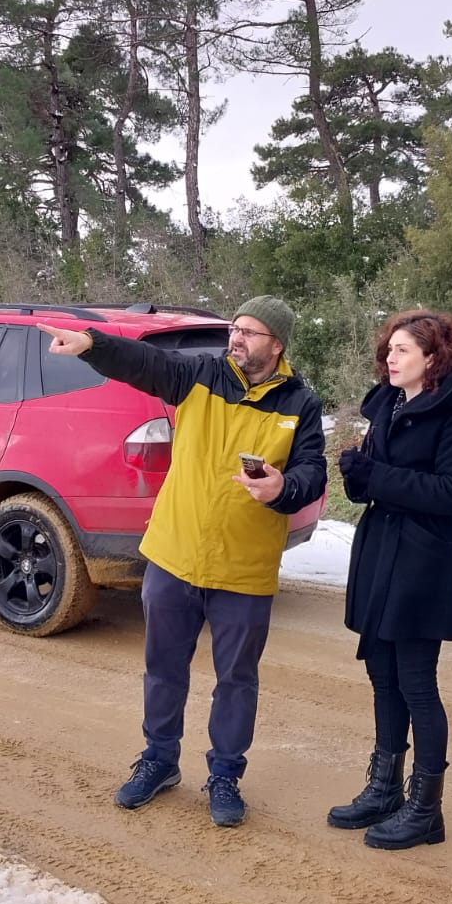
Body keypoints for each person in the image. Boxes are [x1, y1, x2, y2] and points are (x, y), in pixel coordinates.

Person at [38, 296, 325, 828]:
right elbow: (145, 364)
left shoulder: (300, 404)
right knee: (164, 669)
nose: (236, 339)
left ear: (277, 344)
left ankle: (224, 775)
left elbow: (313, 471)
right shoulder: (199, 376)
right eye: (234, 329)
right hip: (175, 554)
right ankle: (159, 760)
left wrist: (284, 486)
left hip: (245, 566)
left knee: (236, 679)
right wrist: (93, 346)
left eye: (250, 332)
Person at [328, 309, 452, 850]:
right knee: (381, 674)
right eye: (388, 349)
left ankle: (426, 809)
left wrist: (379, 478)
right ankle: (384, 788)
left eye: (401, 350)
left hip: (424, 557)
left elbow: (450, 493)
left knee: (417, 683)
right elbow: (375, 482)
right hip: (380, 550)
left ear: (432, 357)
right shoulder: (389, 403)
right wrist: (358, 477)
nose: (389, 358)